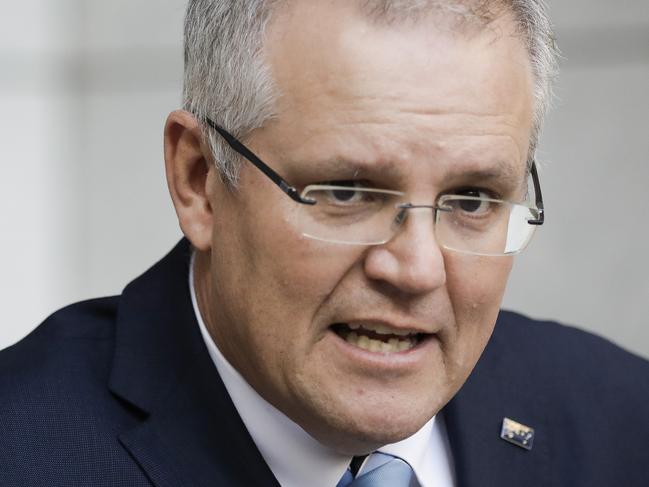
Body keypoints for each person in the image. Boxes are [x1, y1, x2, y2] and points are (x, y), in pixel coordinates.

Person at [1, 1, 648, 486]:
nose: (417, 268)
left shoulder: (620, 421)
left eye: (472, 199)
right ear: (198, 180)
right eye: (347, 191)